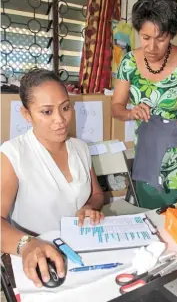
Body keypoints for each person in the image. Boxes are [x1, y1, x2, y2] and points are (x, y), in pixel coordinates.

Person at [1, 69, 104, 287]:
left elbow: (96, 194)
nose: (60, 120)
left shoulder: (81, 148)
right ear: (27, 115)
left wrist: (89, 207)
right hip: (38, 260)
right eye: (47, 112)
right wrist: (27, 245)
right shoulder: (13, 155)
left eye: (65, 108)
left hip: (83, 249)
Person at [111, 0, 177, 209]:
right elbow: (116, 108)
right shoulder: (128, 63)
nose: (152, 47)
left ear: (172, 34)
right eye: (145, 38)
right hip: (146, 157)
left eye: (161, 39)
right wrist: (130, 113)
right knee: (148, 222)